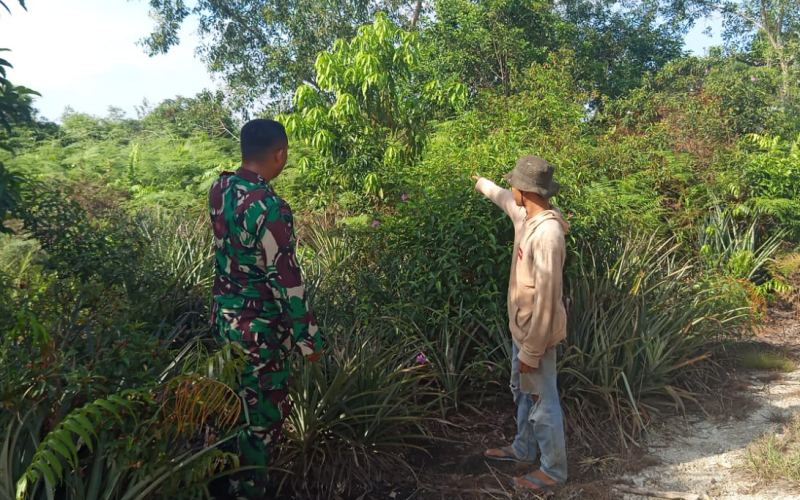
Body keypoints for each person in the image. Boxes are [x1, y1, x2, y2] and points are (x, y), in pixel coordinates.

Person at [208, 119, 324, 499]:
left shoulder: (220, 188)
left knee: (231, 411)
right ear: (280, 154)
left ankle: (222, 484)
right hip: (259, 336)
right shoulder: (270, 207)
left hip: (225, 325)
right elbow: (286, 281)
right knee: (261, 423)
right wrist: (309, 340)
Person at [472, 155, 569, 493]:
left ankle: (554, 471)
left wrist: (531, 350)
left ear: (525, 191)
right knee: (522, 392)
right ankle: (524, 448)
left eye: (513, 183)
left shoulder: (548, 235)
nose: (509, 187)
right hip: (522, 331)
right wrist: (480, 183)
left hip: (536, 337)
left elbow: (547, 300)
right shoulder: (525, 215)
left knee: (542, 401)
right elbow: (502, 198)